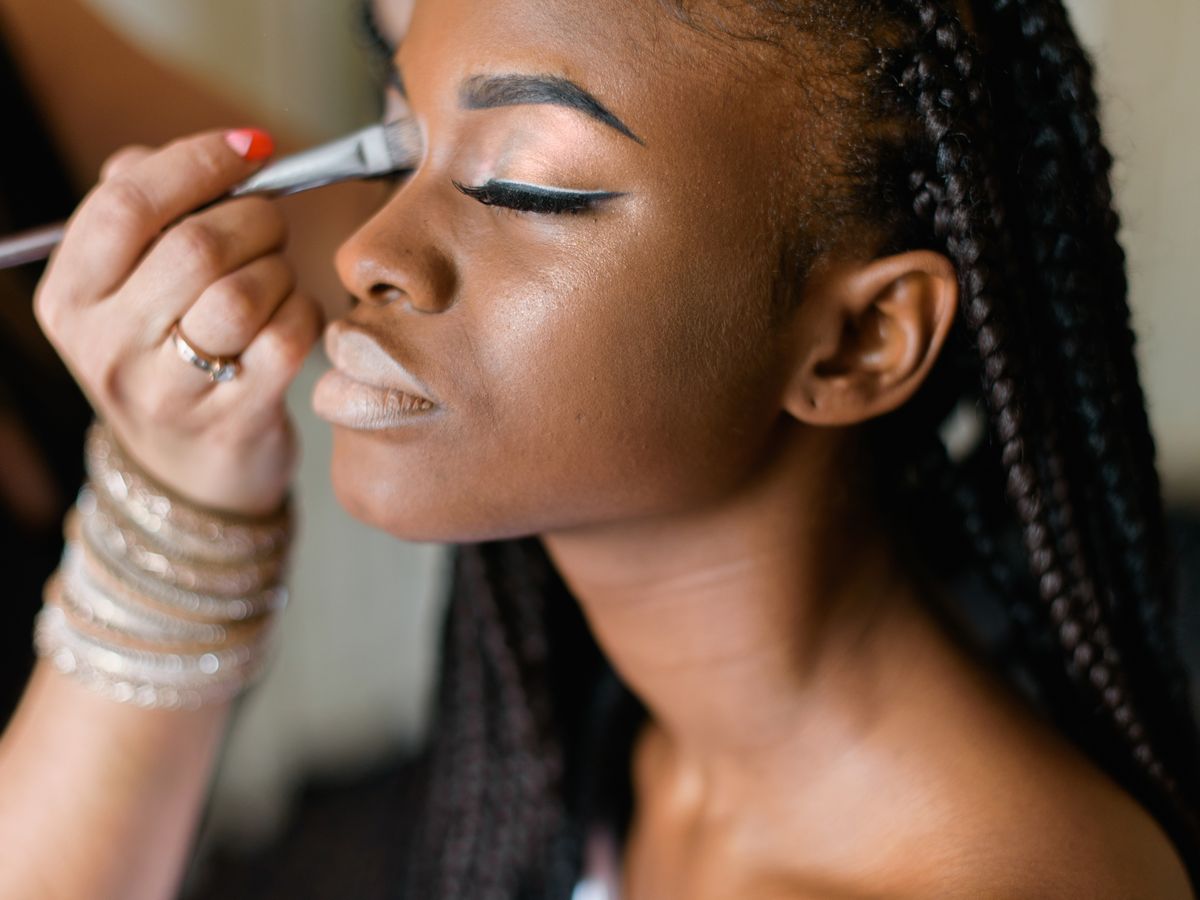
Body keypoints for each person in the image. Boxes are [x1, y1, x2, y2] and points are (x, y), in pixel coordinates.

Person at [0, 0, 1197, 898]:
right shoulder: (617, 779)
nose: (366, 250)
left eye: (524, 185)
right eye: (392, 143)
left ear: (861, 341)